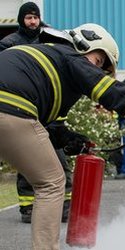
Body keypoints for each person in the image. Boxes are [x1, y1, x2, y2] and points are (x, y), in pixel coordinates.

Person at [0, 23, 125, 250]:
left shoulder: (44, 58)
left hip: (12, 108)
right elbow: (115, 95)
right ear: (83, 44)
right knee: (51, 183)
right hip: (10, 108)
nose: (97, 69)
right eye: (98, 61)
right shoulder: (70, 56)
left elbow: (47, 126)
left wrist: (68, 137)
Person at [0, 1, 76, 224]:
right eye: (28, 18)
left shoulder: (48, 38)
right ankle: (28, 207)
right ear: (21, 20)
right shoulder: (8, 43)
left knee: (58, 159)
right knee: (29, 161)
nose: (32, 21)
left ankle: (65, 206)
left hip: (49, 110)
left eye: (35, 17)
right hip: (21, 108)